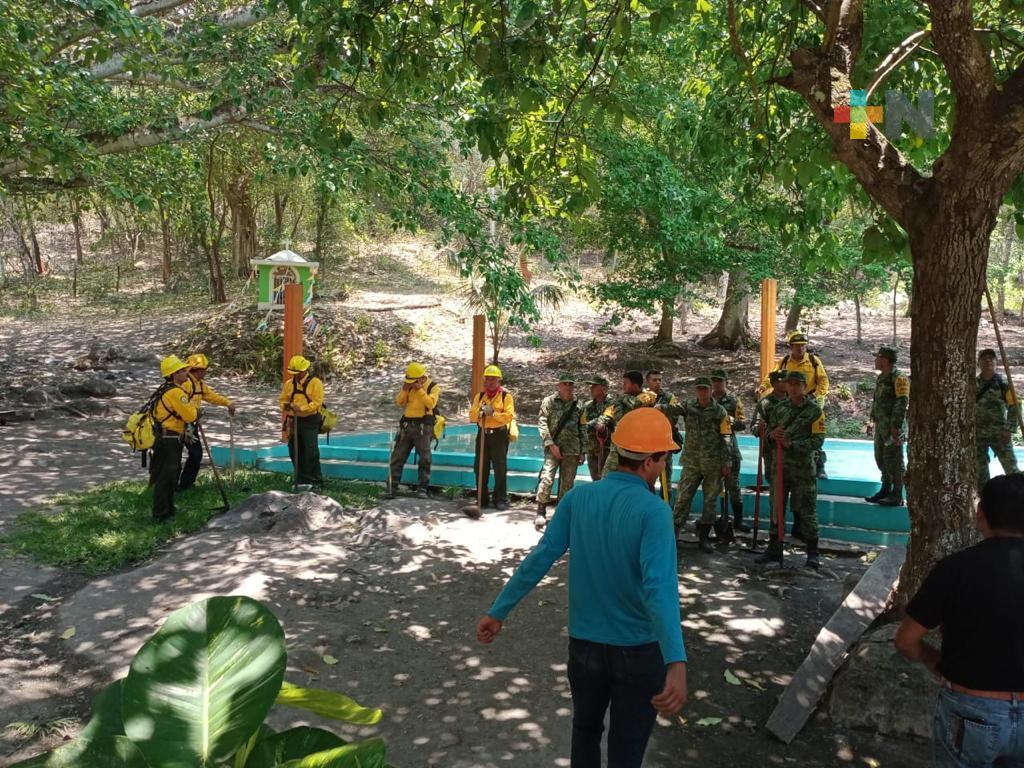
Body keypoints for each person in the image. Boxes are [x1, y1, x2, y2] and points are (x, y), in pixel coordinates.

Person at [476, 407, 688, 768]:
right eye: (665, 457)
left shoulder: (577, 498)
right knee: (627, 748)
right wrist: (676, 661)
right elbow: (659, 589)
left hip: (584, 648)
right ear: (653, 461)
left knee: (585, 731)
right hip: (638, 651)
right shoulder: (654, 513)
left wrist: (498, 611)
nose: (665, 465)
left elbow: (539, 558)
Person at [894, 473, 1024, 767]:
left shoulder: (957, 567)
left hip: (973, 710)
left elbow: (905, 641)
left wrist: (933, 660)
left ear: (980, 513)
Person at [757, 371, 825, 568]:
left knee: (806, 510)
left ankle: (813, 553)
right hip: (779, 468)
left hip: (803, 470)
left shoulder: (814, 411)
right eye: (790, 384)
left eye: (797, 384)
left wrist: (792, 444)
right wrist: (772, 435)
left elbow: (818, 440)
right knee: (776, 508)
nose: (793, 387)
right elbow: (768, 434)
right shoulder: (779, 409)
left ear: (804, 386)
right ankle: (774, 549)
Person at [663, 377, 732, 553]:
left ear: (710, 391)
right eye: (699, 389)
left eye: (705, 389)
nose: (702, 393)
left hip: (713, 464)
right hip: (692, 462)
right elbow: (672, 409)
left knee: (710, 501)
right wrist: (659, 407)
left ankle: (704, 537)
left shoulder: (720, 411)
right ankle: (673, 535)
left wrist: (727, 462)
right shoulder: (688, 406)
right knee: (683, 498)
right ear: (696, 391)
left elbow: (726, 438)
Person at [760, 331, 830, 479]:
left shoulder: (813, 360)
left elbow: (823, 381)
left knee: (812, 432)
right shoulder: (785, 362)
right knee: (790, 431)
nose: (801, 349)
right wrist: (763, 386)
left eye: (803, 346)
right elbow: (772, 375)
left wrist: (817, 396)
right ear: (791, 347)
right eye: (797, 346)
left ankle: (819, 465)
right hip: (791, 402)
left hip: (809, 400)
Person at [178, 353, 236, 491]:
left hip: (191, 423)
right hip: (183, 425)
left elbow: (211, 397)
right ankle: (182, 485)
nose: (205, 372)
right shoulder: (186, 384)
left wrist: (227, 403)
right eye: (204, 369)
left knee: (195, 454)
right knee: (193, 453)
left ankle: (185, 484)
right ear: (197, 370)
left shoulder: (200, 384)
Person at [150, 355, 198, 521]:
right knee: (167, 475)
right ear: (174, 374)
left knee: (170, 473)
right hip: (169, 438)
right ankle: (161, 513)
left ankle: (168, 509)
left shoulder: (166, 389)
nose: (186, 373)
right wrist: (196, 410)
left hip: (166, 437)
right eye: (183, 371)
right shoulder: (177, 393)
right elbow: (191, 415)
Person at [535, 373, 584, 531]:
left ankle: (561, 515)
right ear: (558, 386)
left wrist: (583, 451)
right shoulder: (548, 401)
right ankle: (541, 512)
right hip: (553, 447)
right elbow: (542, 423)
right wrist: (550, 444)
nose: (568, 387)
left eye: (571, 384)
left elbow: (583, 428)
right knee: (546, 478)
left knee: (567, 484)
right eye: (565, 384)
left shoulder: (579, 405)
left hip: (572, 449)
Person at [386, 361, 440, 499]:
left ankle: (423, 488)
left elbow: (431, 404)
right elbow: (399, 402)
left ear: (422, 378)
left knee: (425, 458)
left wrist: (420, 390)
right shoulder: (408, 386)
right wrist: (405, 389)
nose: (411, 383)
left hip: (423, 427)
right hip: (407, 426)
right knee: (397, 457)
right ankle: (392, 487)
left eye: (414, 381)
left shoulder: (433, 387)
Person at [864, 347, 909, 506]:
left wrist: (896, 426)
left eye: (878, 358)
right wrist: (871, 421)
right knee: (881, 458)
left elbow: (902, 401)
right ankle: (885, 489)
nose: (875, 360)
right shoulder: (882, 377)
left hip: (893, 428)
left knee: (894, 460)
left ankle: (897, 495)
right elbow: (877, 401)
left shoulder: (899, 378)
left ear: (885, 360)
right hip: (881, 426)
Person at [469, 364, 515, 511]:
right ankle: (481, 498)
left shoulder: (506, 397)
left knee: (500, 467)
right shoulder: (480, 396)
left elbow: (508, 417)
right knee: (480, 467)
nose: (489, 382)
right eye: (487, 379)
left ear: (499, 381)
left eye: (493, 379)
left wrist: (493, 414)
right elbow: (472, 416)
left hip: (499, 435)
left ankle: (500, 498)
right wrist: (480, 413)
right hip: (482, 434)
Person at [711, 368, 749, 532]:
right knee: (713, 487)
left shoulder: (733, 401)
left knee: (733, 486)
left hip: (730, 449)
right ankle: (716, 519)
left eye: (720, 381)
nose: (717, 384)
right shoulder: (707, 400)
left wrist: (728, 421)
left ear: (726, 382)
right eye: (714, 381)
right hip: (711, 450)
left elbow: (742, 423)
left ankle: (739, 520)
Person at [976, 348, 1020, 488]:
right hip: (978, 434)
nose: (988, 360)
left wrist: (1009, 428)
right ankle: (985, 502)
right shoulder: (972, 385)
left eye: (991, 358)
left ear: (996, 362)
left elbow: (1015, 407)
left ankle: (1018, 499)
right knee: (980, 472)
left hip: (1000, 434)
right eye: (984, 358)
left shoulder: (1004, 384)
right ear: (979, 363)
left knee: (1012, 470)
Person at [599, 370, 656, 478]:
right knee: (606, 477)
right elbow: (609, 412)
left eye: (626, 383)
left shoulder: (648, 395)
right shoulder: (621, 400)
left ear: (635, 385)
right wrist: (601, 422)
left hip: (637, 450)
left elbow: (636, 404)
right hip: (617, 447)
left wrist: (621, 398)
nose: (623, 386)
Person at [750, 370, 789, 524]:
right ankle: (776, 529)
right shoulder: (765, 403)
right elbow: (754, 428)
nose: (785, 383)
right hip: (773, 455)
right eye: (781, 381)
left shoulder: (796, 401)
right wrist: (762, 429)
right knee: (776, 492)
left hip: (793, 455)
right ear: (773, 384)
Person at [279, 354, 324, 488]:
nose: (295, 376)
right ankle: (301, 478)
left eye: (297, 373)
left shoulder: (315, 383)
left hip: (310, 421)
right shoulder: (288, 384)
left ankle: (316, 480)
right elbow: (282, 400)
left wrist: (302, 409)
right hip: (294, 421)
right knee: (294, 450)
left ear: (304, 370)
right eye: (293, 373)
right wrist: (287, 407)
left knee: (311, 451)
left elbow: (317, 403)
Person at [646, 370, 682, 501]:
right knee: (646, 480)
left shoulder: (669, 397)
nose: (658, 382)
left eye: (660, 380)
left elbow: (675, 416)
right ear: (647, 382)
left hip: (664, 445)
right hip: (645, 445)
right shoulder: (641, 397)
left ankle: (664, 508)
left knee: (666, 481)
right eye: (654, 380)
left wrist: (662, 409)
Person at [580, 375, 611, 480]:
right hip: (592, 450)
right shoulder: (587, 406)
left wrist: (594, 423)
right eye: (591, 386)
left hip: (608, 451)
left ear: (603, 388)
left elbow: (608, 420)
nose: (591, 388)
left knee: (607, 481)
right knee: (595, 480)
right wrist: (582, 451)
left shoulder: (613, 404)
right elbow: (583, 427)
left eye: (594, 386)